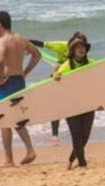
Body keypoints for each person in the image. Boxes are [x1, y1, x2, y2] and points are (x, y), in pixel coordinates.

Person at [0, 11, 40, 167]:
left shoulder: (2, 40)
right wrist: (25, 72)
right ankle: (30, 150)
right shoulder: (21, 39)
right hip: (19, 81)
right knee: (18, 118)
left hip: (8, 83)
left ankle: (8, 160)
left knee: (4, 120)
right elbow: (37, 54)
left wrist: (0, 79)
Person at [30, 31, 86, 146]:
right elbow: (43, 44)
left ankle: (76, 133)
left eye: (83, 45)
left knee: (73, 106)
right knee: (56, 106)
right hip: (58, 78)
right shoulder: (61, 45)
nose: (81, 48)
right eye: (79, 44)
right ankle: (55, 136)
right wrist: (26, 44)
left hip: (73, 82)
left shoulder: (83, 52)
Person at [52, 34, 96, 169]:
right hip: (70, 104)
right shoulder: (66, 66)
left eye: (82, 46)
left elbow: (100, 82)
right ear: (73, 51)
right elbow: (55, 80)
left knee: (85, 136)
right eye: (77, 47)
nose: (80, 49)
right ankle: (82, 164)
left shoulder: (93, 64)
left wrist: (101, 100)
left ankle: (71, 159)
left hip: (88, 103)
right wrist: (55, 76)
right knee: (76, 134)